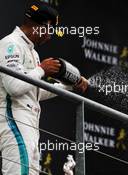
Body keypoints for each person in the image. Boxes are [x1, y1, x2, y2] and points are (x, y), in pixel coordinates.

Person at [0, 1, 88, 175]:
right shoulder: (11, 44)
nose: (49, 36)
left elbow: (34, 93)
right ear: (38, 26)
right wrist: (42, 69)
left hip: (30, 124)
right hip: (15, 120)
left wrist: (70, 87)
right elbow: (14, 87)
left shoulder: (32, 51)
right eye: (48, 29)